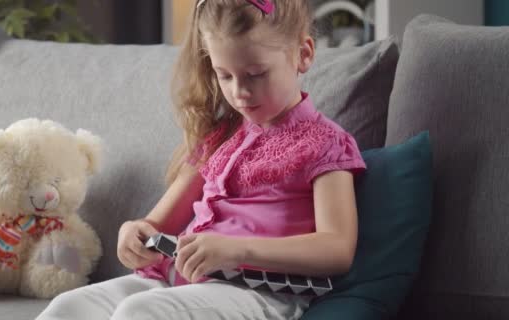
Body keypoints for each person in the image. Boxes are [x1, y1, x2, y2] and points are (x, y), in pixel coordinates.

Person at [36, 0, 366, 319]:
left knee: (140, 313)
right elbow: (155, 225)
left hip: (258, 291)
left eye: (255, 73)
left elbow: (336, 249)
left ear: (303, 54)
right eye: (225, 75)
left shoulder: (326, 143)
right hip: (173, 280)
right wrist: (133, 232)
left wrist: (238, 251)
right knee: (69, 308)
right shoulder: (219, 137)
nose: (239, 92)